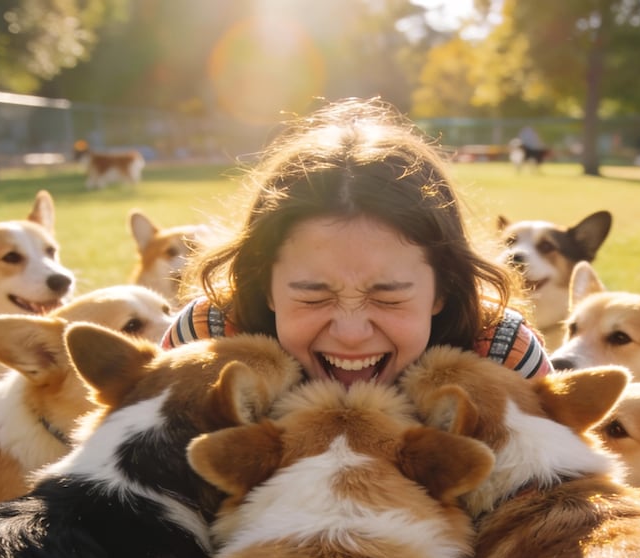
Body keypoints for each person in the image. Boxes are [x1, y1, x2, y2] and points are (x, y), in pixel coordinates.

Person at [162, 97, 551, 386]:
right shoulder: (205, 341)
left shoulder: (502, 356)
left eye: (388, 299)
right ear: (264, 285)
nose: (351, 334)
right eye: (313, 297)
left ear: (443, 290)